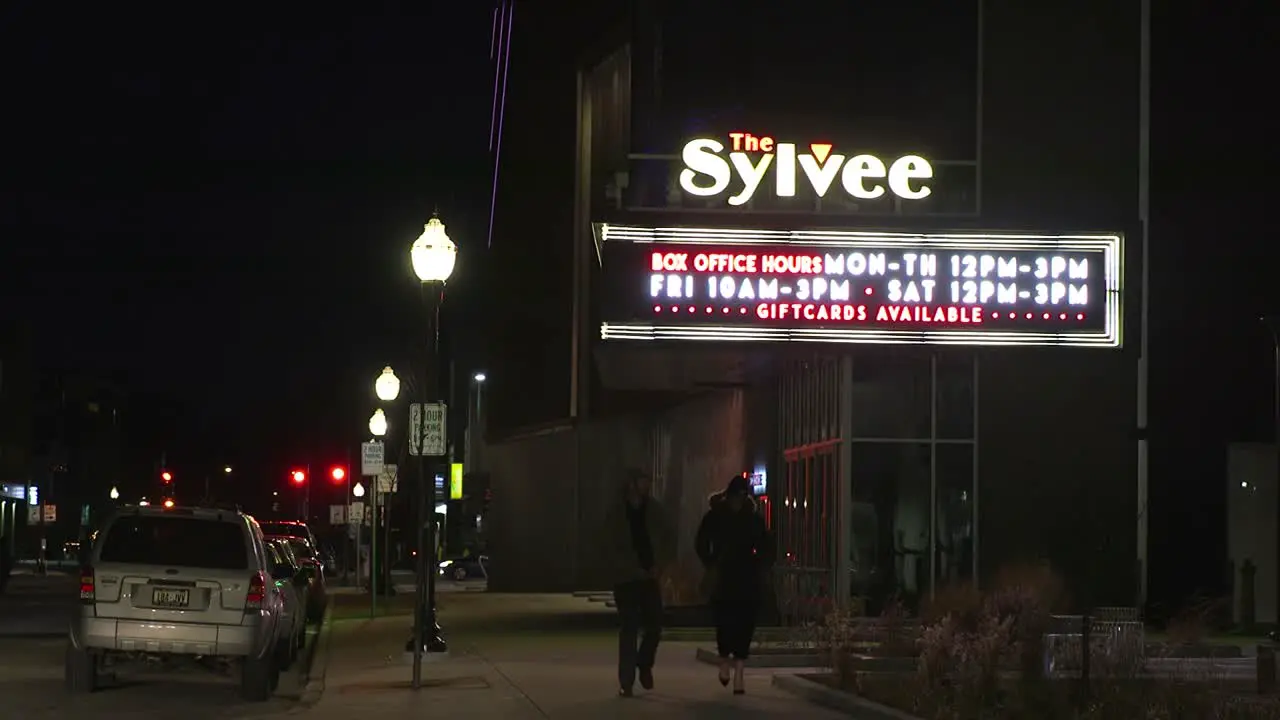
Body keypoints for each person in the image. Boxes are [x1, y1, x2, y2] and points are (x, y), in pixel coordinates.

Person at [696, 475, 773, 695]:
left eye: (741, 497)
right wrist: (711, 562)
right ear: (728, 496)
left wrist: (760, 565)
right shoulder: (716, 516)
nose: (738, 501)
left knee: (745, 624)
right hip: (724, 577)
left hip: (747, 578)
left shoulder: (752, 519)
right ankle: (724, 662)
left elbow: (767, 545)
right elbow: (701, 541)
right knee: (724, 622)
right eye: (735, 497)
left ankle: (738, 672)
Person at [603, 469, 673, 698]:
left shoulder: (655, 511)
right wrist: (629, 568)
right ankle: (626, 681)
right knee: (629, 629)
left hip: (649, 578)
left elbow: (668, 539)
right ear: (632, 484)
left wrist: (659, 566)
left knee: (654, 627)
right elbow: (610, 548)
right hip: (626, 580)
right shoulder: (617, 513)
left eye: (648, 481)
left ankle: (644, 663)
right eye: (643, 481)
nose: (647, 485)